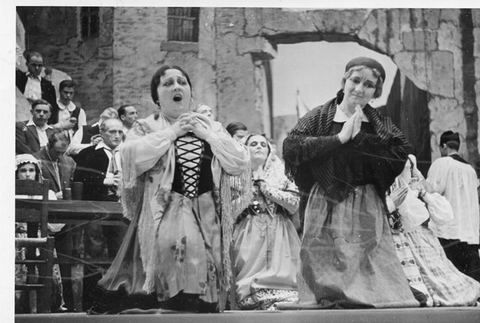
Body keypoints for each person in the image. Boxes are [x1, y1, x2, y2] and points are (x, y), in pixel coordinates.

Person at [89, 65, 250, 314]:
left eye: (182, 82)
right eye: (168, 83)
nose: (176, 86)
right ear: (156, 97)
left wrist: (206, 134)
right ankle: (178, 302)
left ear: (190, 94)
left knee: (206, 263)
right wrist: (173, 131)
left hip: (207, 206)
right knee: (183, 246)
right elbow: (132, 156)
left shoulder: (210, 126)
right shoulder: (146, 127)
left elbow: (238, 160)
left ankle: (193, 306)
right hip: (167, 205)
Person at [283, 57, 418, 308]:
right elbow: (292, 146)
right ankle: (325, 294)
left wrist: (361, 140)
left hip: (365, 200)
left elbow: (400, 151)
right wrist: (340, 138)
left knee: (365, 252)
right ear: (345, 80)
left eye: (369, 85)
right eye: (355, 80)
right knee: (319, 250)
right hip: (325, 198)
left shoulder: (379, 122)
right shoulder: (320, 116)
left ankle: (363, 296)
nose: (359, 88)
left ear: (375, 92)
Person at [387, 154, 480, 306]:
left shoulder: (439, 165)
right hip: (414, 232)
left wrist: (423, 192)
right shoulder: (469, 170)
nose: (413, 173)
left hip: (429, 232)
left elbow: (430, 195)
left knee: (440, 271)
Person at [232, 133, 301, 310]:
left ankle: (281, 298)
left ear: (270, 151)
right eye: (253, 143)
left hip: (279, 229)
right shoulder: (234, 175)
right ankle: (251, 298)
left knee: (284, 270)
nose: (259, 147)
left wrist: (265, 187)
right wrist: (249, 192)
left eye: (263, 144)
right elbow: (228, 212)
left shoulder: (282, 173)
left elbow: (293, 204)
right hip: (249, 229)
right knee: (248, 270)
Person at [73, 118, 126, 310]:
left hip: (121, 210)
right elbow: (79, 177)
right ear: (102, 133)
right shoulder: (89, 153)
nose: (117, 136)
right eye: (112, 132)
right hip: (95, 209)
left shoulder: (127, 153)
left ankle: (119, 301)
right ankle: (93, 301)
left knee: (120, 252)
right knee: (94, 252)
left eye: (120, 132)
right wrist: (106, 180)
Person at [33, 130, 79, 312]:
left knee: (66, 261)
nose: (61, 156)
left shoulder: (69, 161)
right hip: (44, 216)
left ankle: (70, 304)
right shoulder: (36, 160)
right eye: (57, 152)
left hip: (65, 217)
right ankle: (45, 305)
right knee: (44, 262)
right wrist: (53, 196)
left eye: (64, 151)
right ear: (48, 146)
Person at [426, 131, 480, 282]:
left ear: (443, 147)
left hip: (449, 231)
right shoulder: (470, 170)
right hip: (469, 232)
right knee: (471, 280)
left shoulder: (442, 164)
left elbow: (430, 191)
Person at [14, 154, 64, 313]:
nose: (28, 174)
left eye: (31, 170)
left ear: (37, 172)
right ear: (16, 173)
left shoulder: (47, 192)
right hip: (16, 239)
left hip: (40, 238)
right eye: (23, 170)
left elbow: (57, 225)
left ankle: (46, 304)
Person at [16, 50, 58, 118]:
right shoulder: (19, 79)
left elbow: (53, 108)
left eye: (40, 65)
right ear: (27, 64)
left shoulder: (47, 85)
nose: (37, 68)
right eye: (33, 65)